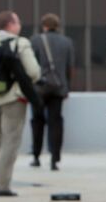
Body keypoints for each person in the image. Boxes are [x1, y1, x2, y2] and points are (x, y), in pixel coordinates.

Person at [0, 11, 41, 197]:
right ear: (11, 24)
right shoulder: (20, 43)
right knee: (11, 141)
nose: (20, 25)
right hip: (13, 98)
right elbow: (34, 72)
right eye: (18, 21)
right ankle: (3, 185)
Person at [29, 13, 75, 171]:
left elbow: (30, 65)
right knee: (56, 122)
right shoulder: (67, 42)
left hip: (39, 88)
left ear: (44, 26)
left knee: (37, 121)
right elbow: (69, 67)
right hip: (58, 87)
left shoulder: (35, 40)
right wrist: (67, 87)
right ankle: (55, 158)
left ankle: (36, 156)